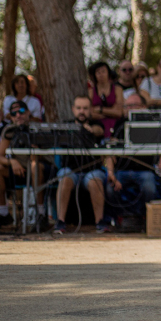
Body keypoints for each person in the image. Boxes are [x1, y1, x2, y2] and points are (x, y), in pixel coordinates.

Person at [53, 96, 110, 235]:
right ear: (73, 110)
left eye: (85, 108)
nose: (82, 112)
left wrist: (89, 130)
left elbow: (99, 130)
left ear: (90, 110)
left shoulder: (97, 124)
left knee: (95, 179)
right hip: (71, 171)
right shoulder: (65, 126)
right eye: (78, 108)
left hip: (92, 171)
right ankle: (60, 221)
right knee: (64, 176)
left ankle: (100, 222)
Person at [0, 100, 48, 229]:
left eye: (21, 111)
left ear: (28, 113)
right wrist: (12, 162)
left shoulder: (37, 128)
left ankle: (40, 214)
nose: (18, 115)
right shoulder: (9, 130)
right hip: (19, 170)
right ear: (10, 117)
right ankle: (3, 213)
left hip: (39, 168)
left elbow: (39, 157)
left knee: (35, 167)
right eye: (14, 113)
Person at [89, 61, 125, 139]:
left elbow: (119, 112)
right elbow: (90, 113)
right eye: (98, 72)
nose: (101, 75)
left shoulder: (117, 89)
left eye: (103, 71)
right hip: (97, 126)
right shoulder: (91, 92)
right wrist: (110, 111)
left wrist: (100, 109)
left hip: (116, 126)